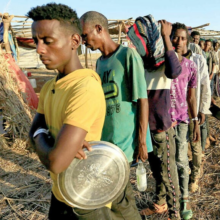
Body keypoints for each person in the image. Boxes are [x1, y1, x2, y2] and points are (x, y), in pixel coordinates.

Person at [27, 3, 125, 219]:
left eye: (48, 41)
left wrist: (42, 137)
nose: (39, 49)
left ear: (74, 41)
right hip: (60, 192)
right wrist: (44, 137)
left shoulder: (84, 87)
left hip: (86, 199)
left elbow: (56, 161)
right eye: (36, 41)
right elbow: (33, 133)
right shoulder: (51, 86)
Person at [80, 9, 152, 171]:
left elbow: (142, 100)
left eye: (85, 35)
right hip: (107, 140)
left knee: (121, 190)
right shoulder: (100, 63)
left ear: (99, 29)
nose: (83, 41)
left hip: (126, 141)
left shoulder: (127, 56)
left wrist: (141, 142)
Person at [140, 20, 182, 220]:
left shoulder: (166, 59)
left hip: (161, 129)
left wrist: (166, 37)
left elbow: (175, 72)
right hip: (147, 129)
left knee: (168, 174)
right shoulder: (143, 62)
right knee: (157, 172)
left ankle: (175, 214)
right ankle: (160, 203)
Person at [169, 23, 201, 219]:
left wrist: (195, 120)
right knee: (166, 162)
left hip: (181, 120)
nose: (179, 42)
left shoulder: (191, 66)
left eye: (183, 38)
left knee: (181, 159)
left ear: (187, 42)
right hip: (163, 121)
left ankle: (185, 198)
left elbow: (191, 97)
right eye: (175, 37)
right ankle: (167, 199)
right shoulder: (161, 63)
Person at [184, 43, 211, 193]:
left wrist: (203, 109)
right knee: (183, 144)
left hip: (194, 109)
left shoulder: (198, 59)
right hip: (179, 110)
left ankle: (194, 177)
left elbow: (205, 85)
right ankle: (188, 171)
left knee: (195, 144)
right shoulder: (173, 58)